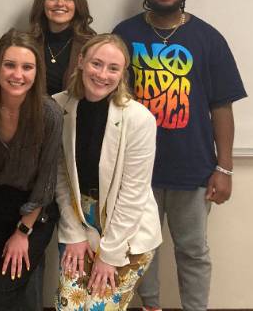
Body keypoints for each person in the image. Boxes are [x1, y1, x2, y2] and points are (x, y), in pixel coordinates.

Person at [113, 0, 246, 311]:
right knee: (140, 248)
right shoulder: (124, 34)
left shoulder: (208, 38)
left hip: (194, 168)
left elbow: (222, 107)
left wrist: (225, 167)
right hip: (136, 169)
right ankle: (151, 306)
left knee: (193, 250)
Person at [53, 34, 162, 311]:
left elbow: (133, 194)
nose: (103, 75)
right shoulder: (58, 106)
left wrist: (110, 256)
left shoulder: (138, 119)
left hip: (127, 234)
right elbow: (60, 179)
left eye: (113, 68)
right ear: (81, 62)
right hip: (80, 223)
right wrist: (73, 234)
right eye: (96, 64)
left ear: (122, 73)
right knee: (70, 307)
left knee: (98, 308)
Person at [0, 30, 62, 311]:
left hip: (33, 214)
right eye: (9, 65)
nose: (17, 75)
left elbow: (46, 182)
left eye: (27, 67)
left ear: (37, 71)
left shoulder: (49, 114)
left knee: (2, 298)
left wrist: (23, 232)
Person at [29, 0, 95, 97]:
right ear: (42, 4)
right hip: (34, 114)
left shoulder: (92, 46)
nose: (60, 3)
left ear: (77, 5)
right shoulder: (28, 43)